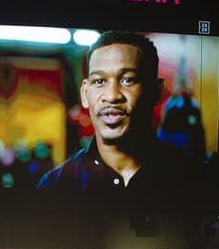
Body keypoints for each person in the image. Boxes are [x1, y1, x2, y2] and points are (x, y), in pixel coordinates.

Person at [37, 30, 207, 192]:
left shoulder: (198, 180)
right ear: (85, 94)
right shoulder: (54, 187)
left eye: (127, 80)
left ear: (156, 91)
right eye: (99, 81)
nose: (111, 96)